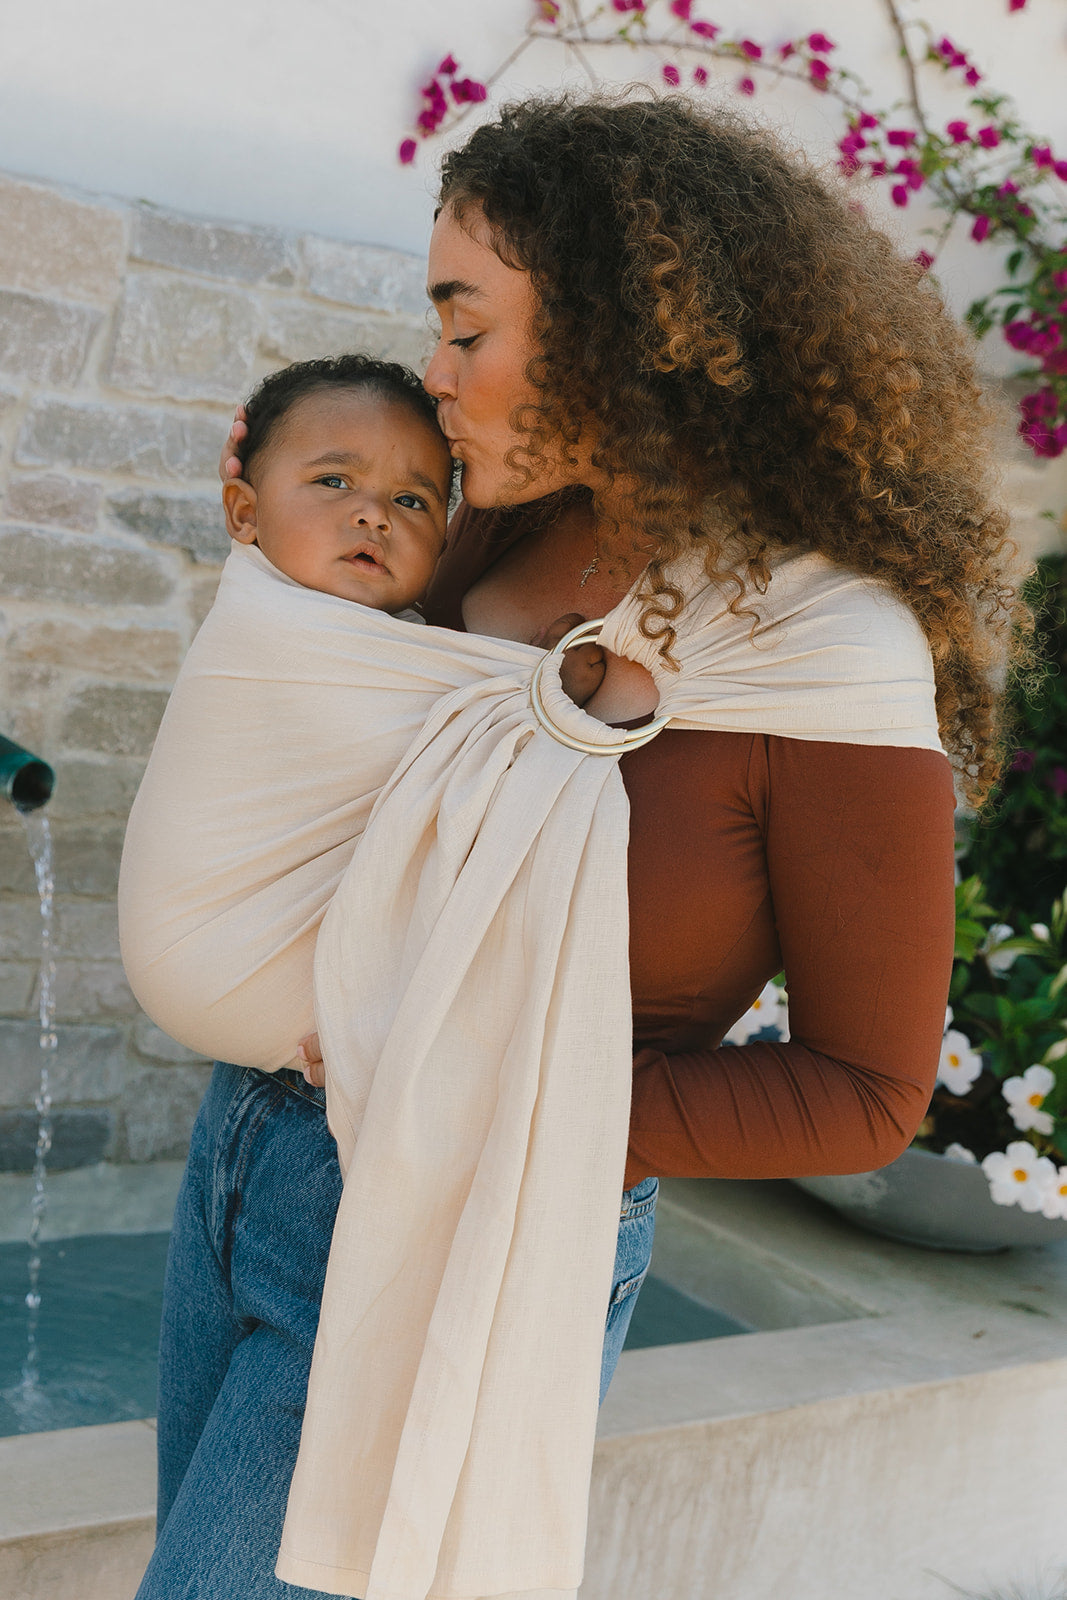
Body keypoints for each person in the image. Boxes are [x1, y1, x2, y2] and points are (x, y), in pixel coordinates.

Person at [139, 93, 1020, 1600]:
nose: (437, 371)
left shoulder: (824, 648)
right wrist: (276, 528)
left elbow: (866, 1092)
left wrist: (496, 1100)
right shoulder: (495, 527)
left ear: (627, 331)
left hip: (473, 1217)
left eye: (466, 326)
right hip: (251, 1157)